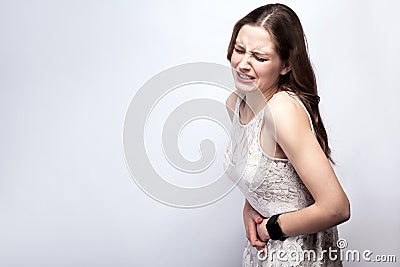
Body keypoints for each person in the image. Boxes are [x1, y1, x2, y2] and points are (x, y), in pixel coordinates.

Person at [223, 3, 350, 266]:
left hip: (297, 255)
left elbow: (336, 207)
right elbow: (262, 174)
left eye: (259, 57)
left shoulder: (282, 111)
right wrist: (250, 207)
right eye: (239, 50)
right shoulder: (235, 103)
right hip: (263, 253)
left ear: (285, 66)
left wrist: (272, 228)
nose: (244, 64)